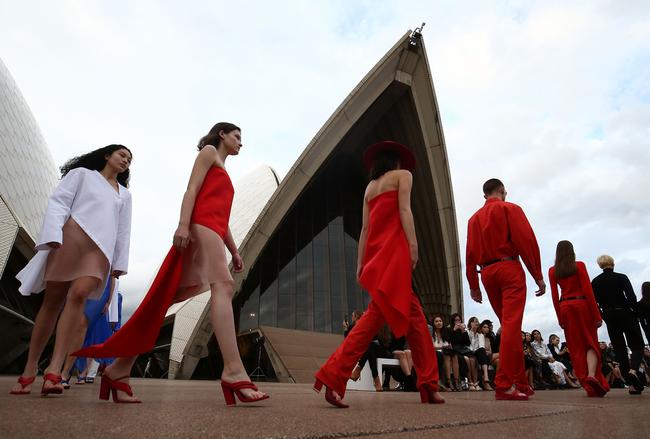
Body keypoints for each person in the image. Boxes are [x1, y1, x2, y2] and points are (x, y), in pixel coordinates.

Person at [74, 122, 268, 406]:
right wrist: (182, 226)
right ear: (223, 134)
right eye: (237, 136)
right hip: (201, 228)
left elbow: (224, 220)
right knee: (224, 287)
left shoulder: (225, 171)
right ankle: (233, 370)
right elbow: (191, 190)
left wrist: (235, 252)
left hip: (213, 230)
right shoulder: (210, 152)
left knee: (166, 299)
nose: (241, 142)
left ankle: (118, 370)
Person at [314, 141, 443, 407]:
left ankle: (335, 375)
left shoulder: (370, 188)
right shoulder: (403, 176)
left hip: (376, 257)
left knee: (393, 317)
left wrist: (361, 263)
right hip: (395, 254)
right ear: (396, 162)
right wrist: (414, 244)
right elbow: (405, 210)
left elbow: (364, 230)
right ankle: (428, 384)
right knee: (410, 320)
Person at [10, 145, 132, 396]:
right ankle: (30, 368)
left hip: (100, 251)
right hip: (71, 238)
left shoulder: (124, 195)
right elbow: (59, 202)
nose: (126, 160)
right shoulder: (82, 175)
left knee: (78, 295)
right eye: (122, 154)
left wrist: (119, 263)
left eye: (129, 159)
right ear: (107, 155)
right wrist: (53, 233)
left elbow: (123, 230)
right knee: (52, 303)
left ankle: (54, 370)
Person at [465, 178, 545, 400]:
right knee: (511, 325)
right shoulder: (510, 208)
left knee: (509, 326)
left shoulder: (473, 220)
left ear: (484, 196)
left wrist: (473, 285)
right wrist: (537, 275)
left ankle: (520, 381)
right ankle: (504, 383)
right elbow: (526, 241)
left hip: (487, 274)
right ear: (502, 191)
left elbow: (470, 254)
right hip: (508, 267)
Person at [548, 241, 609, 396]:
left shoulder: (553, 271)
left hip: (565, 307)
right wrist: (597, 314)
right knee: (591, 342)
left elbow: (555, 297)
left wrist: (560, 318)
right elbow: (588, 291)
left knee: (576, 347)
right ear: (571, 251)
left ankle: (587, 383)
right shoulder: (579, 266)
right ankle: (591, 376)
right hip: (582, 304)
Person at [591, 255, 645, 394]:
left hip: (609, 315)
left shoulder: (596, 281)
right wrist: (636, 312)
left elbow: (594, 302)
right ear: (613, 263)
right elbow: (631, 296)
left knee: (619, 347)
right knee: (637, 344)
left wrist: (602, 315)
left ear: (600, 265)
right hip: (625, 312)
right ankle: (633, 370)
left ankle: (631, 384)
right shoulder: (621, 277)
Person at [467, 316, 493, 391]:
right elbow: (469, 345)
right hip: (469, 351)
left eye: (477, 322)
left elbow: (481, 346)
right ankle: (483, 378)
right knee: (480, 354)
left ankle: (485, 376)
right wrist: (472, 331)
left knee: (482, 350)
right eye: (474, 321)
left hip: (478, 352)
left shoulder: (480, 334)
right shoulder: (467, 332)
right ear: (470, 323)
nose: (476, 323)